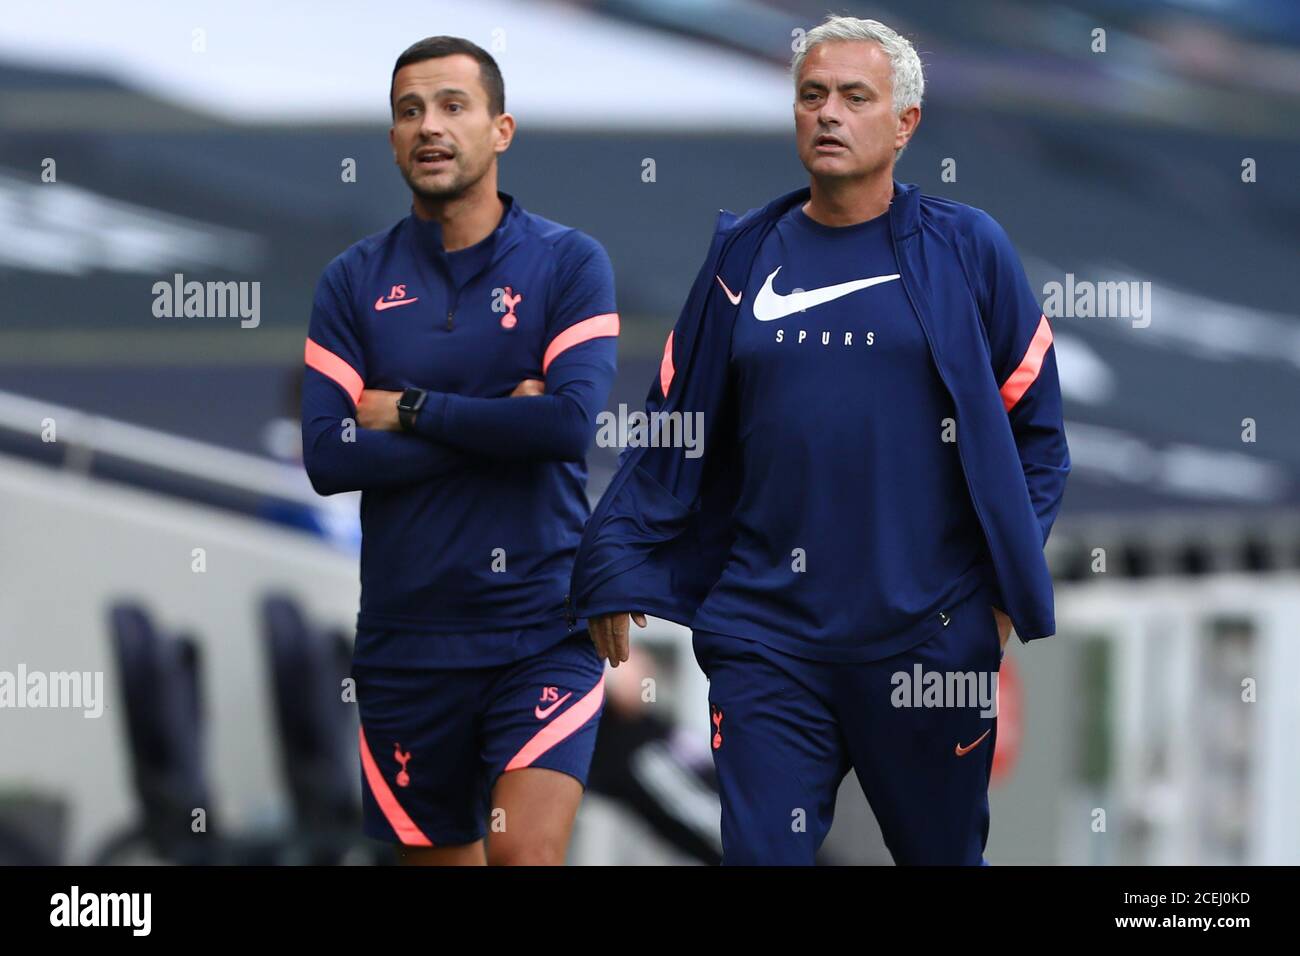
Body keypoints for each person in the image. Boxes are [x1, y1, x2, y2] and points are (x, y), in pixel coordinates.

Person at [572, 15, 1069, 864]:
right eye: (811, 96)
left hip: (925, 642)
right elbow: (672, 427)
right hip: (766, 640)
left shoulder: (967, 249)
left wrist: (985, 612)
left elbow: (1039, 438)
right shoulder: (742, 254)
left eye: (853, 97)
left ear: (906, 123)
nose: (828, 113)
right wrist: (611, 564)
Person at [301, 36, 618, 865]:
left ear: (500, 129)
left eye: (452, 106)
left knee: (525, 857)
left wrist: (410, 410)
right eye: (410, 112)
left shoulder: (569, 263)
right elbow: (329, 458)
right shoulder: (351, 280)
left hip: (542, 628)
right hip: (408, 645)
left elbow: (564, 426)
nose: (429, 127)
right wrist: (494, 428)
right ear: (393, 137)